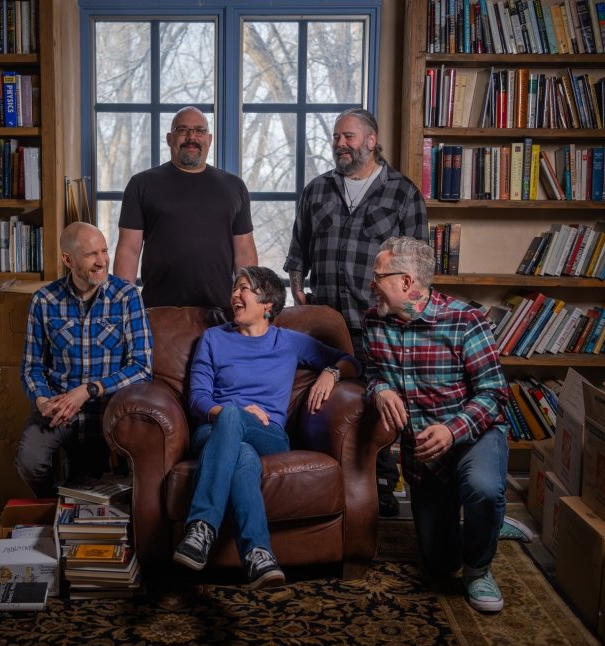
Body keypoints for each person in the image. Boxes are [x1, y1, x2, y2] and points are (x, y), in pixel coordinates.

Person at [174, 266, 360, 589]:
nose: (235, 295)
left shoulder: (288, 341)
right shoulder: (213, 339)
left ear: (268, 304)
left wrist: (331, 373)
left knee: (242, 433)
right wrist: (227, 412)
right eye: (234, 288)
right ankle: (258, 554)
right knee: (241, 453)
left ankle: (201, 528)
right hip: (215, 430)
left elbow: (351, 361)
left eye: (244, 289)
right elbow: (198, 398)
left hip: (269, 434)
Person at [283, 107, 428, 517]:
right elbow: (298, 253)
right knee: (319, 405)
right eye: (335, 138)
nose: (340, 145)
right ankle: (321, 483)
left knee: (375, 405)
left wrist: (405, 313)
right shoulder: (317, 190)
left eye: (348, 137)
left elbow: (417, 265)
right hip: (325, 326)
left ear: (370, 140)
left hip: (378, 324)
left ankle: (380, 486)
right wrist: (298, 292)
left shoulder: (402, 193)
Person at [363, 236, 510, 613]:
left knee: (481, 487)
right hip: (423, 454)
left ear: (406, 282)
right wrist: (379, 389)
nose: (370, 283)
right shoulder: (373, 322)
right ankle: (490, 522)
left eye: (377, 276)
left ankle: (479, 568)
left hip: (473, 436)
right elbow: (372, 372)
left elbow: (494, 393)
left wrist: (452, 429)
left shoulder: (466, 320)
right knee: (439, 563)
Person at [18, 222, 153, 497]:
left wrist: (90, 390)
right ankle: (54, 505)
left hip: (107, 411)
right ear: (68, 260)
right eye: (92, 254)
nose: (102, 261)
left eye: (104, 251)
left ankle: (75, 507)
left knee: (87, 481)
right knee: (29, 462)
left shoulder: (126, 297)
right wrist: (42, 401)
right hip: (59, 409)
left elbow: (142, 368)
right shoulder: (44, 300)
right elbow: (32, 367)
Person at [113, 105, 258, 310]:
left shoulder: (234, 187)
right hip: (158, 309)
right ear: (169, 138)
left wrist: (249, 302)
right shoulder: (141, 185)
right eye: (183, 130)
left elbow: (244, 252)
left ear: (209, 140)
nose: (192, 137)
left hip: (220, 310)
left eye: (200, 131)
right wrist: (122, 304)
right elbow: (129, 250)